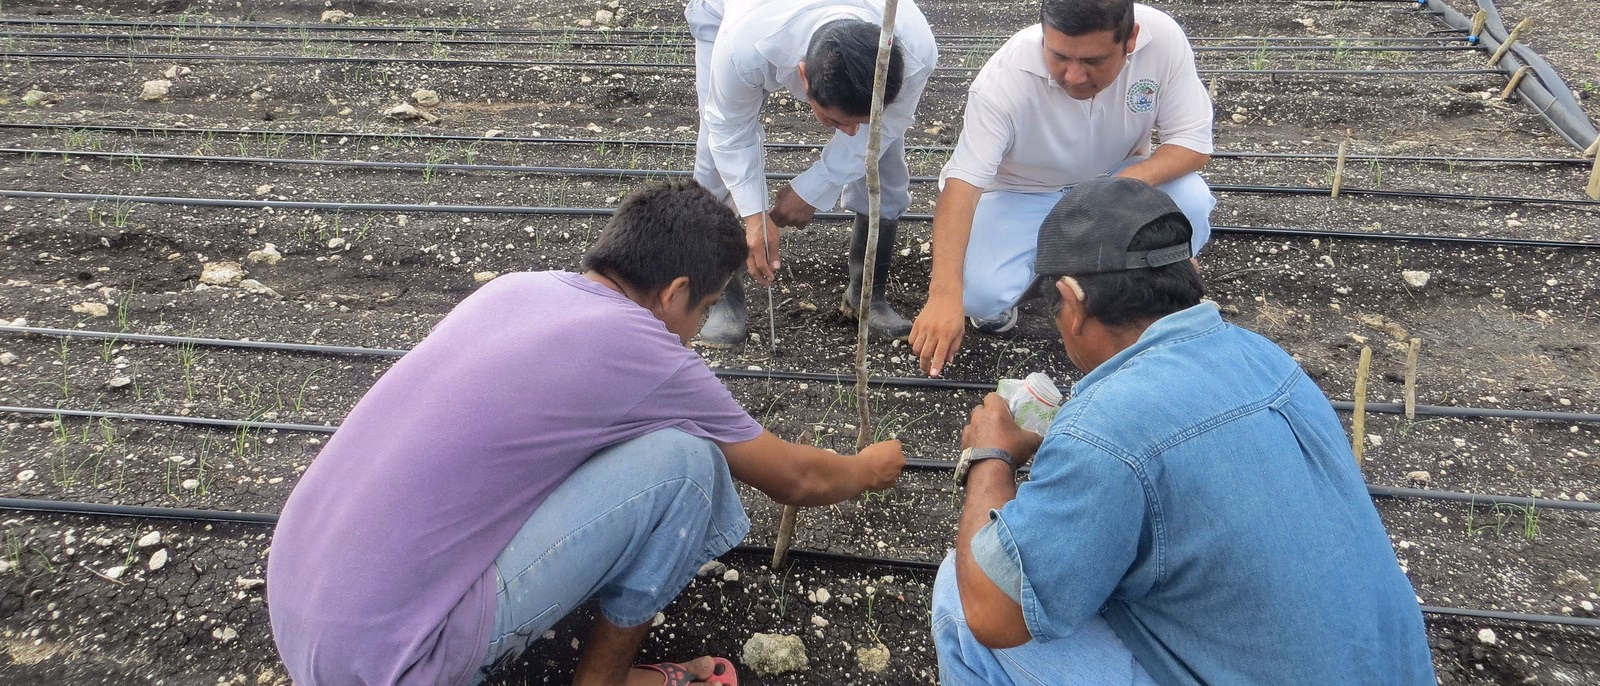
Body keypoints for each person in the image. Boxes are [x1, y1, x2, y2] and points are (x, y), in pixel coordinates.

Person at [266, 180, 906, 686]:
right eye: (706, 308)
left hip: (300, 604)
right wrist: (872, 468)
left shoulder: (519, 290)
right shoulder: (645, 349)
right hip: (394, 663)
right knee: (689, 464)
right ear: (674, 292)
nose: (698, 326)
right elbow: (796, 477)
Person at [933, 177, 1435, 685]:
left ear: (1074, 300)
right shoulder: (1264, 357)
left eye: (1056, 307)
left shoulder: (1107, 430)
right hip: (1390, 669)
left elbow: (992, 613)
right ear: (1188, 271)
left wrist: (991, 456)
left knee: (962, 594)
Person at [910, 0, 1217, 378]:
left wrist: (1114, 191)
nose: (1073, 75)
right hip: (1023, 190)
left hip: (1114, 174)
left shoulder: (1163, 39)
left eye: (1093, 61)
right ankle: (1038, 286)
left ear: (1131, 40)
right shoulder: (1004, 81)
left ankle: (1149, 295)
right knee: (978, 296)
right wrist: (942, 296)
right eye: (1059, 57)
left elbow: (1192, 141)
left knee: (1190, 198)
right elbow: (963, 185)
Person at [685, 0, 939, 345]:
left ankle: (867, 295)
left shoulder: (915, 47)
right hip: (728, 14)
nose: (849, 132)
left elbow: (886, 128)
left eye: (860, 122)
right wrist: (754, 215)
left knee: (885, 162)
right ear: (802, 74)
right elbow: (729, 130)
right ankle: (722, 296)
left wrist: (813, 187)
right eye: (835, 120)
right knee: (712, 159)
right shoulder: (742, 45)